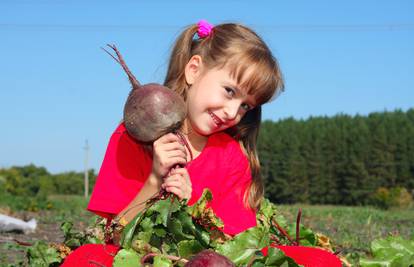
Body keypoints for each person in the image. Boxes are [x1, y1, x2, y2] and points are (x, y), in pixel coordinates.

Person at [62, 20, 341, 267]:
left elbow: (236, 245)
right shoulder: (130, 136)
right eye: (229, 91)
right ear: (194, 70)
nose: (233, 113)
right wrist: (155, 179)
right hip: (141, 258)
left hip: (205, 260)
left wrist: (192, 204)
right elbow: (114, 237)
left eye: (245, 105)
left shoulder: (231, 155)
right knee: (85, 257)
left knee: (321, 260)